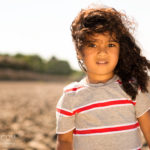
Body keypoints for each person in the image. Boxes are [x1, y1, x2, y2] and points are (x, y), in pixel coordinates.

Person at [56, 5, 150, 150]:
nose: (102, 52)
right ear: (79, 51)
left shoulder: (132, 87)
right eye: (93, 44)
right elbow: (65, 142)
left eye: (111, 44)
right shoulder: (71, 97)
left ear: (121, 49)